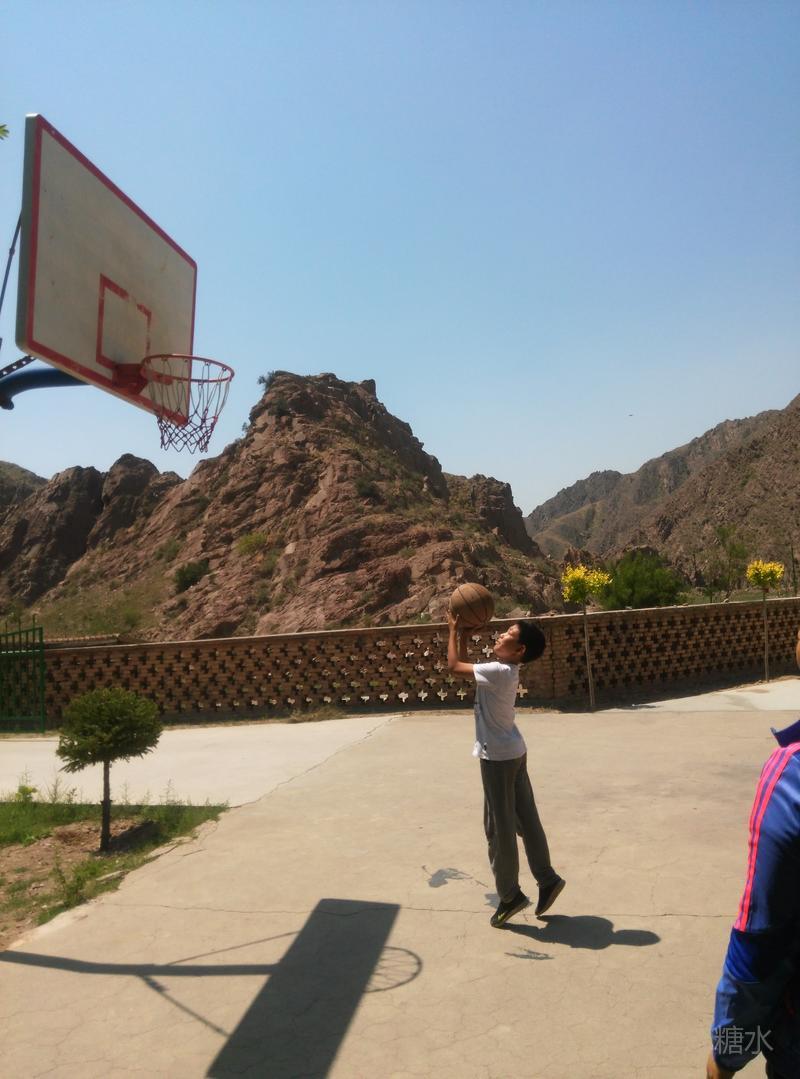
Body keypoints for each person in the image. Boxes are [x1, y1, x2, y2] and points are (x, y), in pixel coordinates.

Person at [706, 626, 800, 1078]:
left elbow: (762, 912)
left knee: (729, 1054)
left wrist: (734, 1031)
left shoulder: (789, 773)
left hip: (777, 983)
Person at [446, 610, 565, 927]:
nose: (500, 636)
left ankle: (510, 896)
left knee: (498, 829)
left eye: (508, 635)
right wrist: (464, 636)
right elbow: (467, 665)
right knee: (527, 819)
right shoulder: (504, 670)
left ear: (519, 649)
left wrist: (453, 631)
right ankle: (547, 878)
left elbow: (454, 666)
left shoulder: (498, 671)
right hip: (514, 752)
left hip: (497, 759)